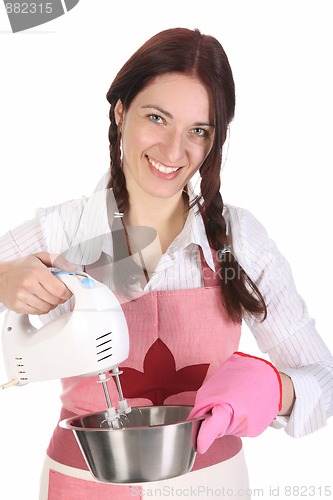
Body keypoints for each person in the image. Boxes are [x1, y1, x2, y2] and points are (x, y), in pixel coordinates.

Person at [0, 27, 332, 500]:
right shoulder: (61, 233)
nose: (175, 151)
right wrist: (3, 279)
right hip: (82, 486)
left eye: (198, 130)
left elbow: (323, 376)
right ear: (120, 112)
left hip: (212, 488)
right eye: (157, 118)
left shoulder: (240, 243)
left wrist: (276, 389)